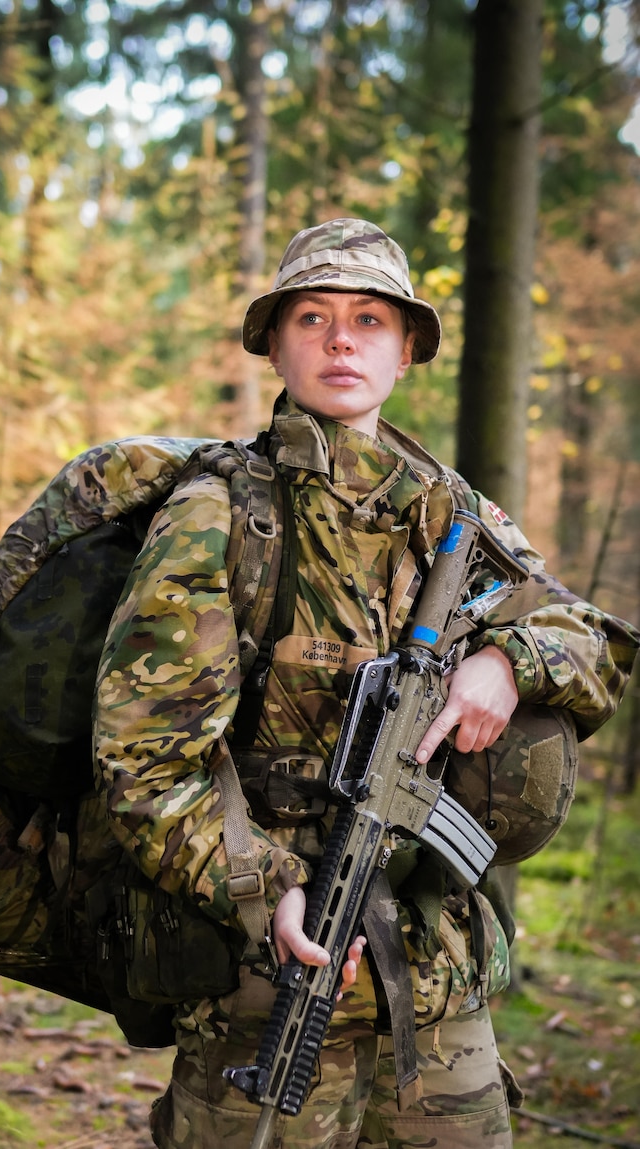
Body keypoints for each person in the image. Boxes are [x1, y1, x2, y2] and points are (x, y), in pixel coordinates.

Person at [92, 219, 639, 1148]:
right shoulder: (218, 514)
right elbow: (142, 758)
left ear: (407, 348)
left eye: (370, 319)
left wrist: (509, 662)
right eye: (312, 316)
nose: (341, 339)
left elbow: (593, 637)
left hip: (439, 992)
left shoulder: (454, 513)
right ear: (274, 341)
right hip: (268, 973)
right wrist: (270, 894)